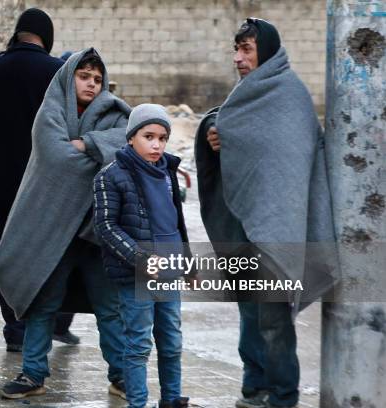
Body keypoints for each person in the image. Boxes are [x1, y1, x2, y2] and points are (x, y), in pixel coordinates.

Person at [194, 18, 336, 408]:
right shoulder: (246, 92)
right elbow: (223, 120)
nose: (238, 59)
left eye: (246, 50)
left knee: (273, 320)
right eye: (235, 50)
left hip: (276, 225)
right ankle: (253, 385)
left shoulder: (290, 95)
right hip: (242, 223)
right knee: (247, 314)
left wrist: (231, 135)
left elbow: (292, 157)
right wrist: (212, 131)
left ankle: (283, 394)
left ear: (266, 52)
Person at [0, 48, 130, 400]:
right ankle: (34, 373)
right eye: (84, 77)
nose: (92, 85)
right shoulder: (50, 113)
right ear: (70, 78)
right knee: (43, 302)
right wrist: (98, 156)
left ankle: (122, 375)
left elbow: (129, 146)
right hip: (53, 231)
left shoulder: (114, 113)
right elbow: (56, 159)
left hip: (96, 232)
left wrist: (90, 143)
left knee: (109, 308)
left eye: (98, 79)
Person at [0, 8, 78, 353]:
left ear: (18, 33)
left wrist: (1, 150)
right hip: (46, 183)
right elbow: (70, 127)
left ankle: (15, 328)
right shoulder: (56, 72)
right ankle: (51, 323)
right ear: (47, 37)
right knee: (51, 255)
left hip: (2, 182)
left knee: (5, 255)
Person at [93, 104, 194, 408]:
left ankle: (172, 399)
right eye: (148, 136)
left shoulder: (167, 172)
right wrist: (139, 258)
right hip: (137, 273)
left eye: (162, 138)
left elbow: (175, 221)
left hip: (170, 269)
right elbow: (105, 226)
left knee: (172, 342)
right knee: (138, 345)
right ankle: (137, 403)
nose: (156, 144)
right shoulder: (110, 176)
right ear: (131, 137)